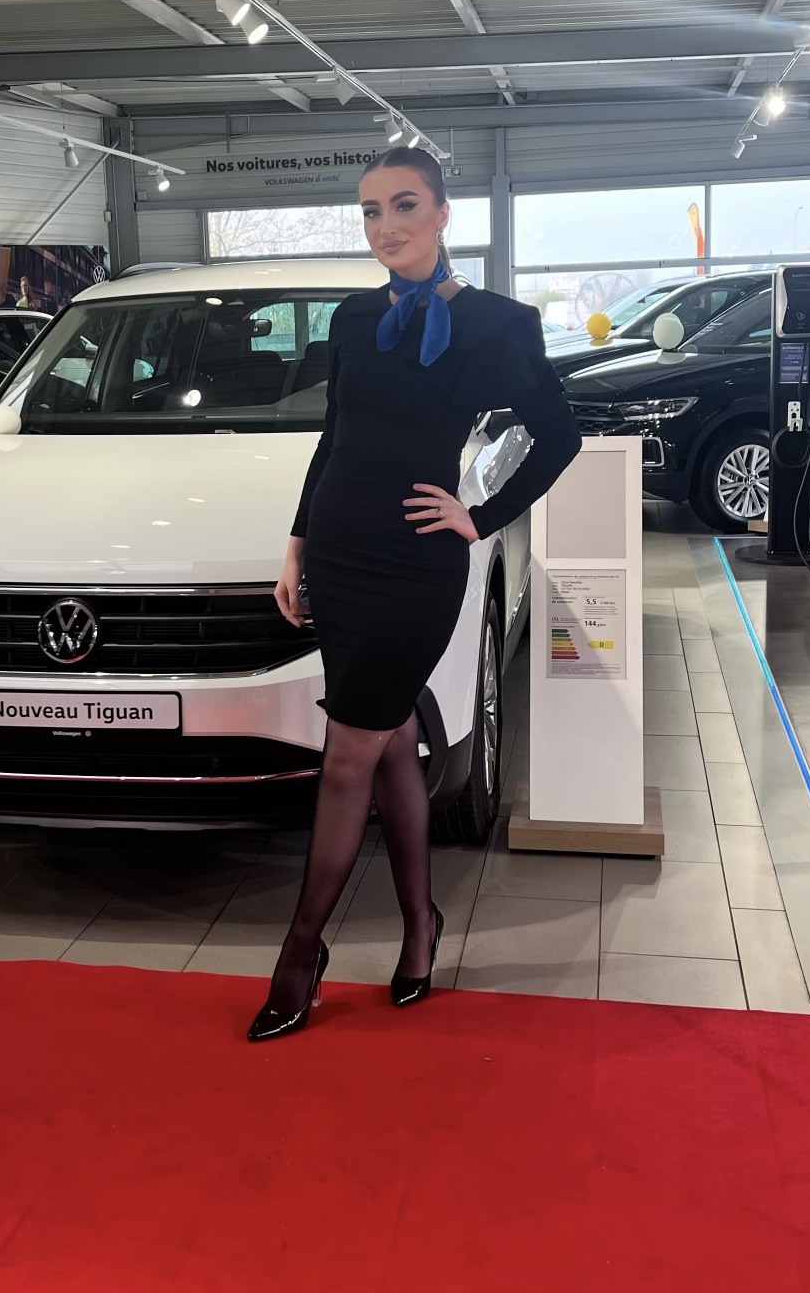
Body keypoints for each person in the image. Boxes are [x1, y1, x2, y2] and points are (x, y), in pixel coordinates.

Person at [247, 147, 582, 1043]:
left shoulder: (499, 324)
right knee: (391, 739)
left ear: (441, 214)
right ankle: (420, 927)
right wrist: (297, 546)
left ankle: (301, 951)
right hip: (341, 554)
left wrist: (480, 514)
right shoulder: (354, 318)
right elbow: (333, 438)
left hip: (416, 564)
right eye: (370, 211)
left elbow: (559, 436)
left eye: (402, 205)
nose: (384, 226)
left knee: (348, 753)